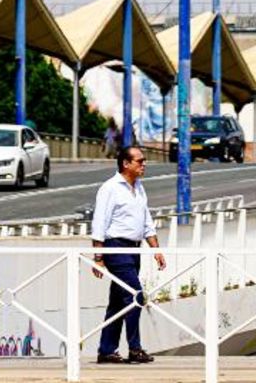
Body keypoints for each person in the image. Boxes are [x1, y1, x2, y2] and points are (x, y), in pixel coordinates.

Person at [90, 146, 166, 364]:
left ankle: (106, 350)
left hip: (134, 249)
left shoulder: (139, 188)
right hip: (116, 248)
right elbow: (99, 223)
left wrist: (156, 249)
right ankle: (135, 348)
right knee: (136, 296)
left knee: (117, 302)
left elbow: (146, 222)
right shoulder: (110, 188)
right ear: (125, 163)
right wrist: (98, 257)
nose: (144, 164)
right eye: (139, 161)